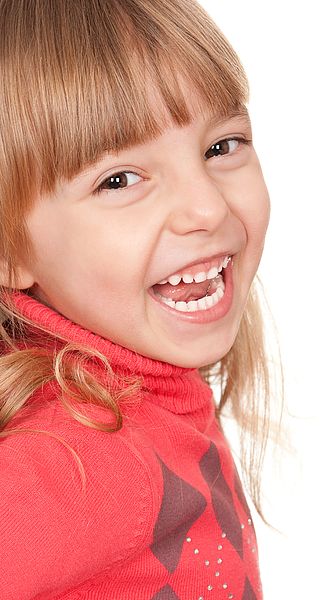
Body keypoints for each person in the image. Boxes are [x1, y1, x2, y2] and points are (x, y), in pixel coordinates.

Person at [0, 1, 279, 598]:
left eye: (222, 146)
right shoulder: (70, 456)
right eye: (119, 180)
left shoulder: (151, 399)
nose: (208, 207)